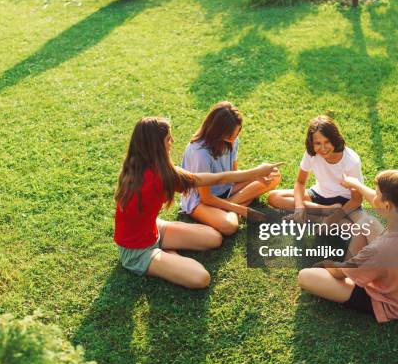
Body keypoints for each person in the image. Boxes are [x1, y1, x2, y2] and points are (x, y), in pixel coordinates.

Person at [114, 117, 283, 289]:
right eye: (168, 139)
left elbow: (218, 178)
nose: (172, 142)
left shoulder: (145, 166)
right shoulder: (159, 177)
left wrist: (253, 174)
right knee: (201, 278)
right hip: (137, 251)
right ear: (155, 146)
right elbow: (217, 178)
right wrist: (255, 172)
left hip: (154, 229)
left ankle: (166, 252)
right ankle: (167, 256)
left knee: (215, 238)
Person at [297, 170, 398, 323]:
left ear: (387, 206)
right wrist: (357, 185)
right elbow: (379, 202)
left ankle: (353, 273)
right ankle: (354, 270)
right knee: (366, 223)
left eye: (377, 194)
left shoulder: (380, 250)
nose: (373, 197)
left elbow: (338, 273)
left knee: (305, 276)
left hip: (388, 303)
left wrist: (326, 264)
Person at [180, 101, 281, 235]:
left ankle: (227, 206)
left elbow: (233, 174)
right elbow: (206, 198)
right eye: (229, 136)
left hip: (227, 189)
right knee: (229, 226)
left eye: (237, 133)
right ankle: (235, 205)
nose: (233, 138)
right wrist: (243, 210)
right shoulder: (200, 153)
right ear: (217, 130)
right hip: (200, 201)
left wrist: (256, 175)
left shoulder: (232, 140)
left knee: (273, 175)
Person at [267, 115, 363, 225]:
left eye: (327, 142)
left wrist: (333, 218)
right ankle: (322, 214)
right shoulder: (311, 154)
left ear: (335, 139)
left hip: (344, 201)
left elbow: (356, 200)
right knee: (274, 197)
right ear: (312, 143)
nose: (323, 148)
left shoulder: (351, 161)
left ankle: (326, 217)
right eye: (318, 143)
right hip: (319, 195)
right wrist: (299, 206)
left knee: (358, 225)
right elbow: (300, 182)